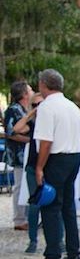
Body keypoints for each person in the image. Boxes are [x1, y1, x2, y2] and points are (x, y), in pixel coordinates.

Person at [30, 69, 80, 259]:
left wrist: (39, 167)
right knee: (68, 205)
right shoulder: (73, 107)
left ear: (43, 84)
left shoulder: (47, 107)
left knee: (51, 206)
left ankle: (52, 255)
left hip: (56, 158)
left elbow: (46, 141)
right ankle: (73, 252)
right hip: (74, 156)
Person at [12, 92, 45, 253]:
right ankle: (33, 240)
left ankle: (59, 241)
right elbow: (16, 129)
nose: (38, 107)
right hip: (32, 166)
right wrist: (31, 114)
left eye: (41, 104)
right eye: (34, 104)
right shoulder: (32, 124)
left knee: (54, 205)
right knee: (34, 204)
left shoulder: (51, 121)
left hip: (49, 166)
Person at [4, 81, 33, 231]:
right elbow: (10, 132)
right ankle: (19, 219)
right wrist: (29, 140)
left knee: (27, 184)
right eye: (30, 90)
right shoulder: (13, 110)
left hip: (27, 152)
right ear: (24, 94)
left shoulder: (26, 109)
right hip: (19, 153)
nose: (33, 92)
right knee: (20, 184)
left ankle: (27, 217)